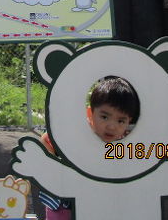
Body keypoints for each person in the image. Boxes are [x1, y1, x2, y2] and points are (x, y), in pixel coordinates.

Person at [38, 76, 140, 220]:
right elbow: (45, 139)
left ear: (128, 122)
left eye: (121, 120)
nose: (112, 126)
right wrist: (55, 168)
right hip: (62, 204)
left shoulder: (124, 142)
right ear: (90, 114)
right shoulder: (78, 131)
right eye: (104, 117)